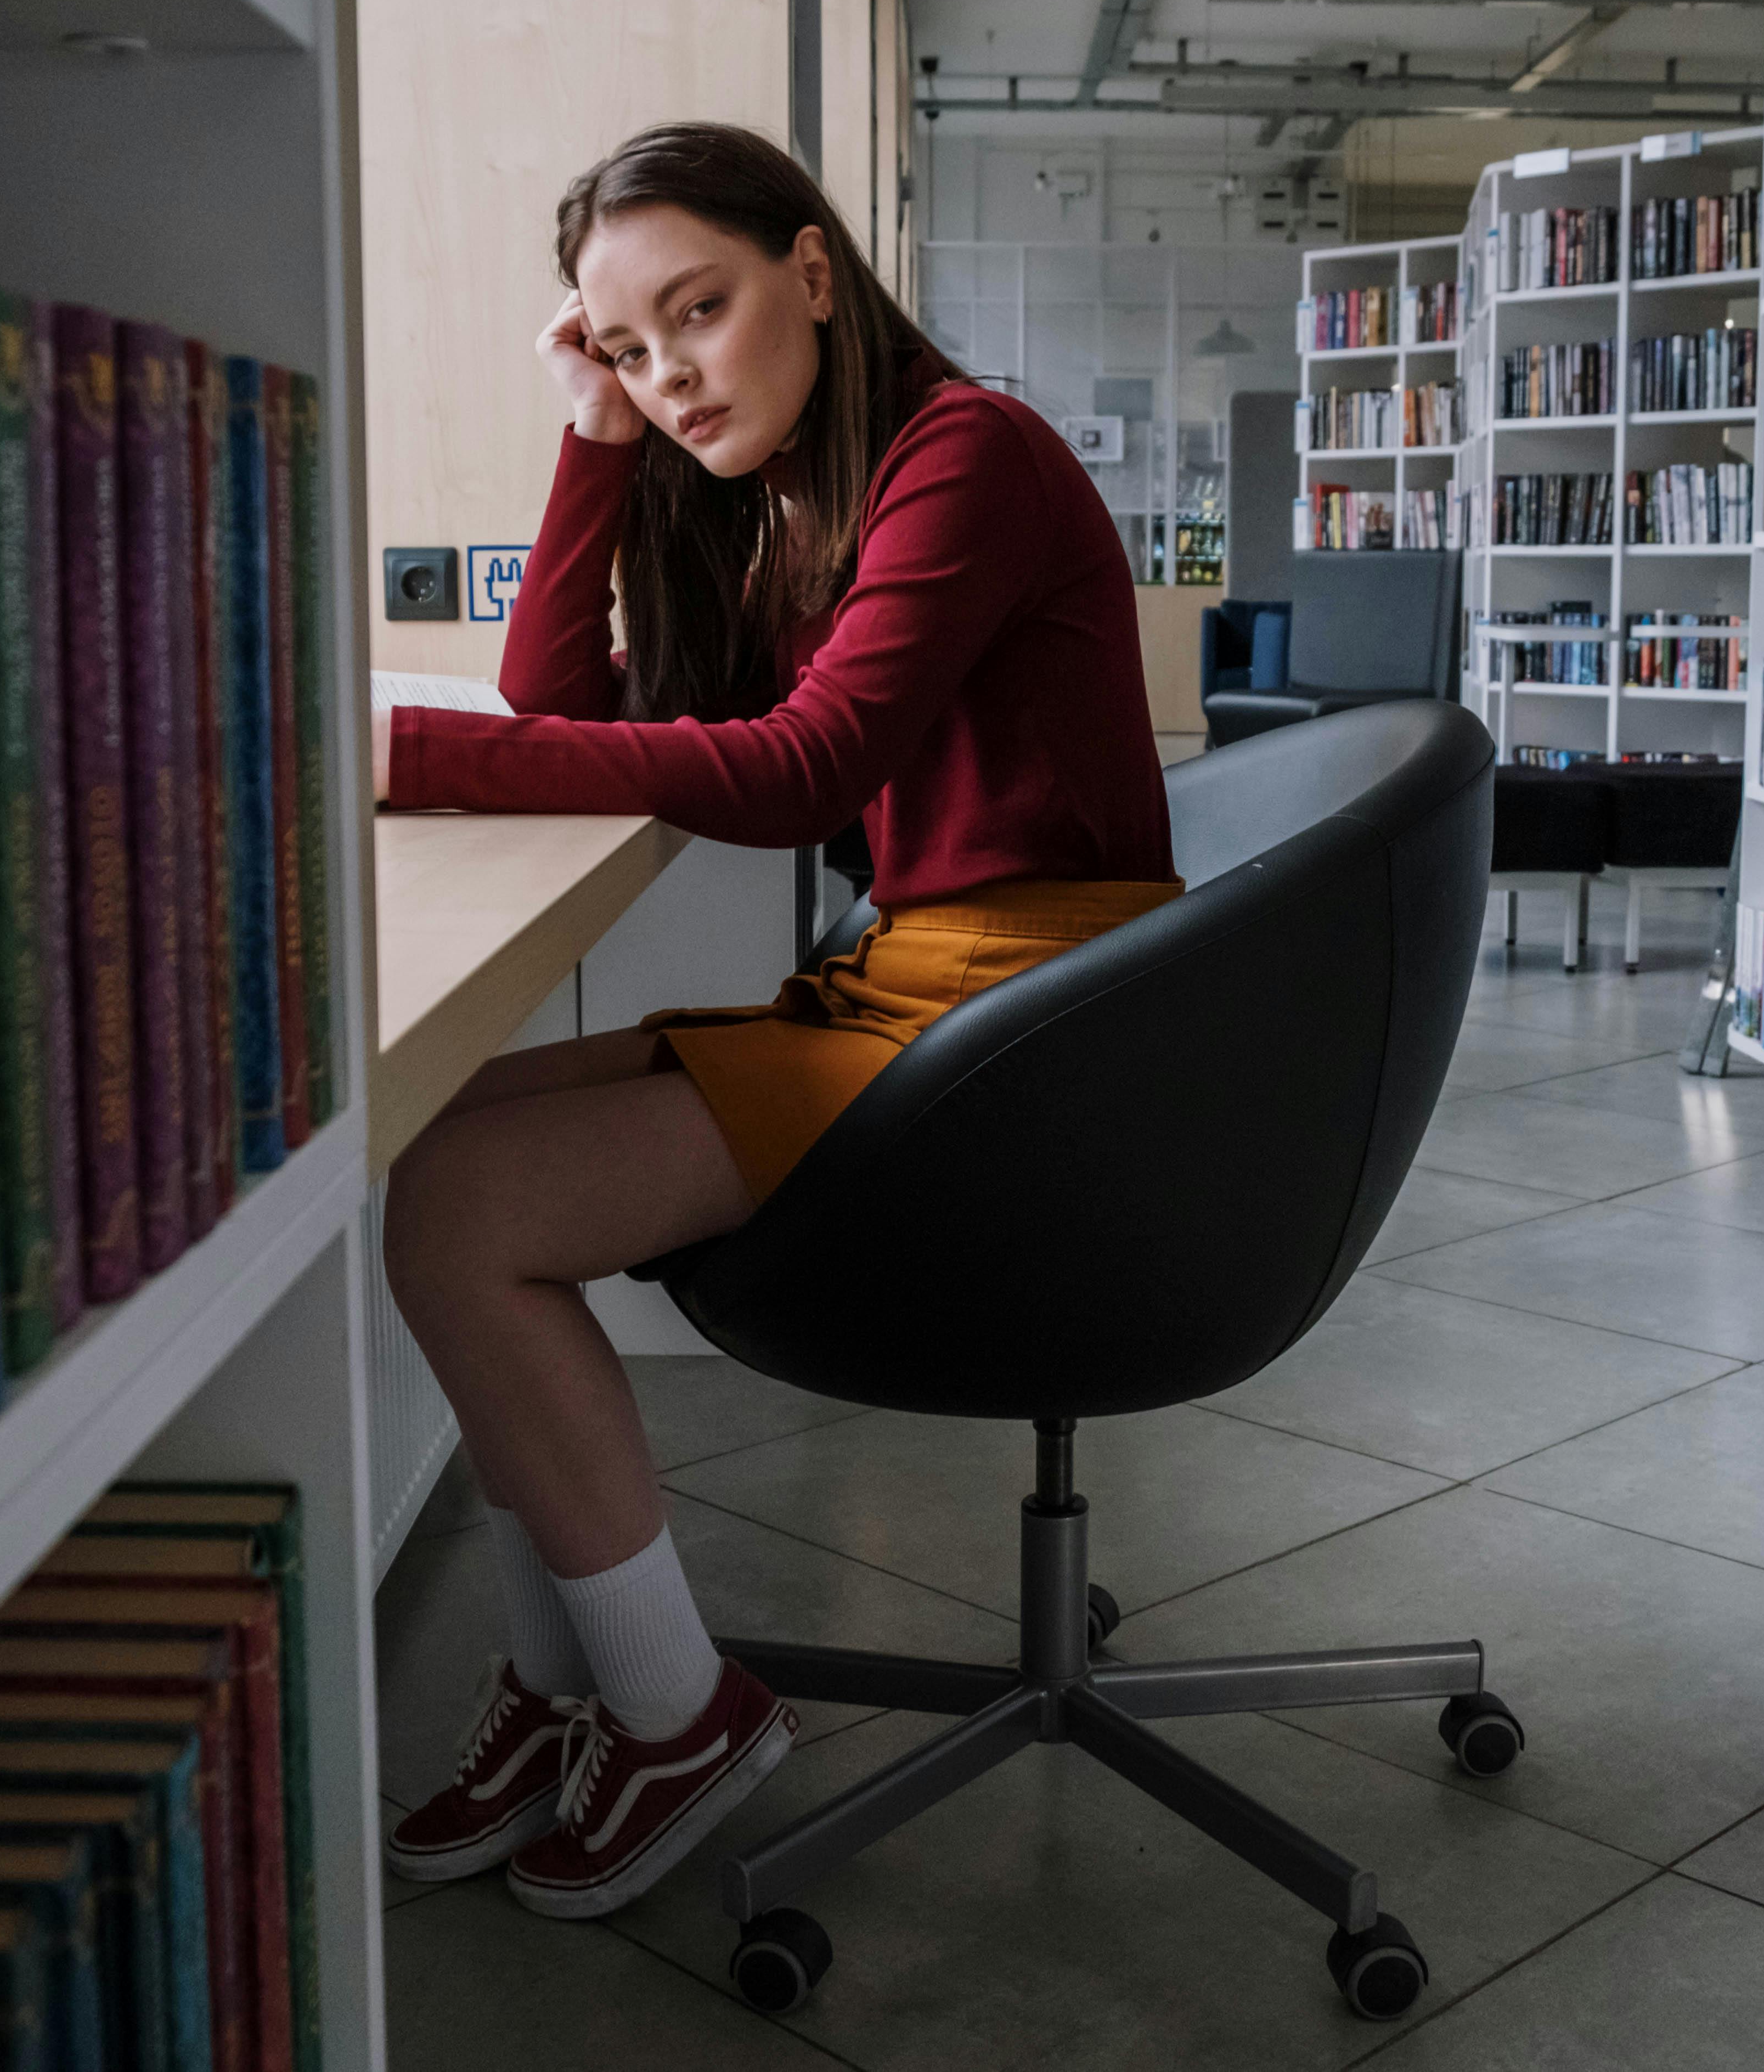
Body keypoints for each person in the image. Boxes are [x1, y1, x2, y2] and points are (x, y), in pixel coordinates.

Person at [376, 121, 1177, 1918]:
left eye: (702, 311)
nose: (670, 376)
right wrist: (592, 443)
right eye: (629, 348)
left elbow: (801, 764)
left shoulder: (961, 455)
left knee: (457, 1211)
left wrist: (404, 754)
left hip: (1031, 1022)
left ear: (814, 271)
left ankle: (674, 1711)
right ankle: (571, 1679)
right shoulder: (800, 500)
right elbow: (559, 697)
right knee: (431, 1133)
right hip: (933, 986)